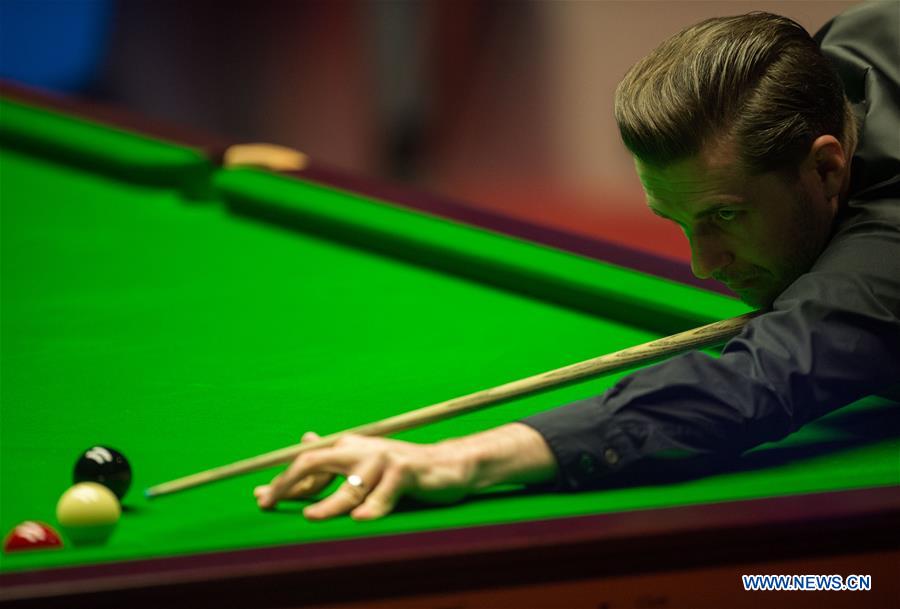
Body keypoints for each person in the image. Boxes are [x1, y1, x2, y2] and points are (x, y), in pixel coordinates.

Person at [255, 3, 900, 521]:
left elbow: (759, 380)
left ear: (825, 167)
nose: (705, 266)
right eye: (680, 223)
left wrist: (458, 460)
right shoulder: (849, 49)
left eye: (726, 216)